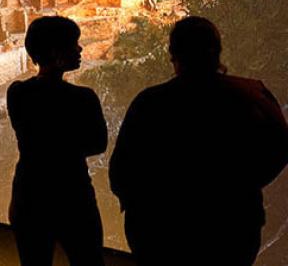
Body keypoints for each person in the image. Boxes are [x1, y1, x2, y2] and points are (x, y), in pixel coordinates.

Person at [109, 16, 288, 266]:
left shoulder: (150, 102)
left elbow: (121, 170)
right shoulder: (253, 95)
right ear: (217, 50)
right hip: (232, 226)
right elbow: (279, 149)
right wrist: (242, 186)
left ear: (173, 54)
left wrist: (142, 205)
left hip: (160, 230)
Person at [7, 16, 107, 266]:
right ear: (56, 52)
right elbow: (98, 144)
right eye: (74, 44)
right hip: (73, 195)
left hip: (29, 193)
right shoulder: (83, 98)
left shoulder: (17, 92)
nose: (80, 49)